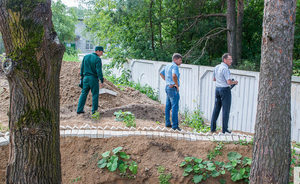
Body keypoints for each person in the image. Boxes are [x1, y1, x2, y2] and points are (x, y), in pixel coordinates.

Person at [211, 53, 238, 134]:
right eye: (229, 59)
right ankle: (225, 130)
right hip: (225, 90)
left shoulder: (217, 67)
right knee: (226, 110)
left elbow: (214, 79)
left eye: (231, 59)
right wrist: (235, 82)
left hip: (217, 89)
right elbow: (229, 82)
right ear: (224, 60)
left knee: (216, 108)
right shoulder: (225, 69)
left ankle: (212, 128)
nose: (231, 61)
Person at [77, 46, 104, 115]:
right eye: (101, 52)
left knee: (83, 93)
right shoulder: (97, 59)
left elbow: (82, 68)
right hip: (93, 79)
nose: (102, 54)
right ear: (97, 51)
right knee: (95, 95)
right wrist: (101, 80)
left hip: (85, 78)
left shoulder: (86, 57)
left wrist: (82, 77)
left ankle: (79, 110)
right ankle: (94, 112)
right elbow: (99, 71)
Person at [160, 53, 183, 131]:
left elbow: (161, 73)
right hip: (173, 88)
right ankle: (175, 126)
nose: (181, 62)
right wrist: (176, 85)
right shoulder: (174, 66)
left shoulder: (167, 65)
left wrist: (167, 81)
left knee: (168, 106)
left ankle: (167, 123)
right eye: (180, 60)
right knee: (174, 107)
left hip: (167, 87)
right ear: (175, 60)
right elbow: (174, 75)